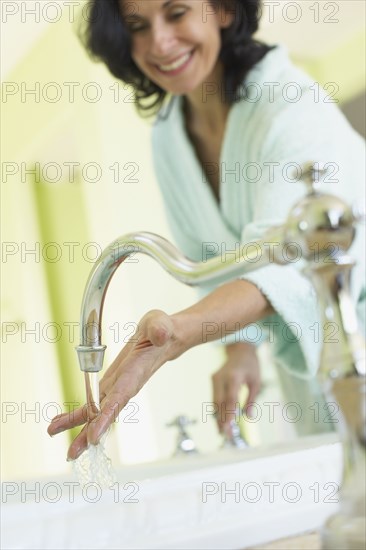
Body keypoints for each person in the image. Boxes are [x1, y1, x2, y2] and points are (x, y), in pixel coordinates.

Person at [48, 0, 365, 460]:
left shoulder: (291, 104)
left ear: (223, 10)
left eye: (176, 13)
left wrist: (178, 332)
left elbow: (292, 255)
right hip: (317, 382)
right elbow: (210, 259)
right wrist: (240, 348)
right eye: (137, 26)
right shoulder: (169, 136)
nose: (159, 42)